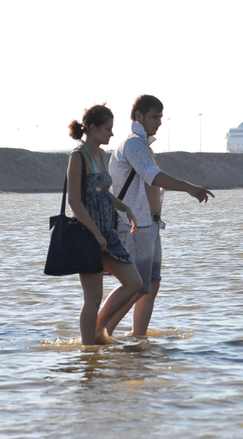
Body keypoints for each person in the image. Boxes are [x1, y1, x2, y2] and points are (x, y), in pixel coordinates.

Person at [102, 94, 213, 338]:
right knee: (135, 285)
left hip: (149, 225)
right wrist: (189, 188)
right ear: (138, 116)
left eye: (161, 117)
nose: (159, 122)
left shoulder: (143, 146)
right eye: (155, 116)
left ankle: (138, 336)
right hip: (135, 225)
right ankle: (102, 331)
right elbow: (152, 175)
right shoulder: (132, 143)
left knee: (151, 284)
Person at [63, 104, 142, 346]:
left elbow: (103, 192)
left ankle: (98, 333)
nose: (111, 134)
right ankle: (88, 350)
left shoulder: (101, 154)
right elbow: (74, 201)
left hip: (107, 233)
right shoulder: (78, 157)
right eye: (107, 129)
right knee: (93, 298)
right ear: (93, 128)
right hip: (88, 234)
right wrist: (96, 235)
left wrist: (125, 207)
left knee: (135, 284)